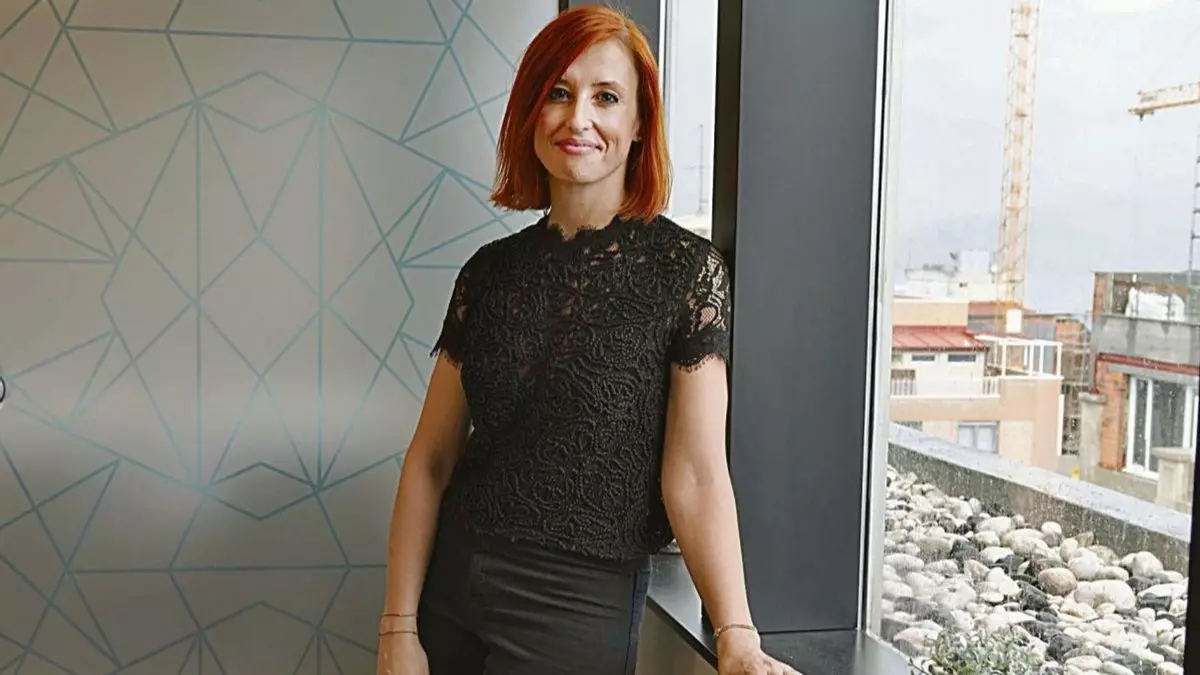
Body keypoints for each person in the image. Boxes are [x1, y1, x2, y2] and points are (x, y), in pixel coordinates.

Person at [376, 6, 799, 675]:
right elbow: (431, 458)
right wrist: (397, 627)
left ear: (639, 123)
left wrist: (737, 634)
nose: (578, 119)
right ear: (531, 112)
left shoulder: (686, 274)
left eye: (606, 97)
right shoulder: (488, 273)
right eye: (558, 93)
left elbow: (695, 472)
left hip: (575, 605)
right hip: (449, 589)